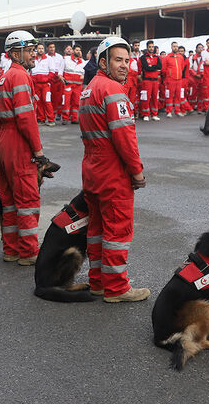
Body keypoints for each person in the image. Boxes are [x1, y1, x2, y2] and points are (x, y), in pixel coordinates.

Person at [79, 36, 148, 302]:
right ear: (103, 62)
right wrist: (137, 171)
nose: (124, 66)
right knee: (117, 229)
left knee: (97, 228)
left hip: (92, 168)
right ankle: (117, 288)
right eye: (118, 60)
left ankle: (97, 281)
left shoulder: (89, 87)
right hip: (112, 170)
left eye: (127, 61)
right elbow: (125, 138)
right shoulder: (113, 90)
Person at [0, 31, 49, 265]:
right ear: (16, 53)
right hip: (18, 143)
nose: (34, 53)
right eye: (29, 50)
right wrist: (38, 151)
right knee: (27, 201)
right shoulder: (20, 76)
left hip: (4, 140)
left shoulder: (5, 76)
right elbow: (26, 118)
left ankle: (11, 249)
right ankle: (28, 252)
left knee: (8, 201)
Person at [61, 44, 85, 124]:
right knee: (66, 102)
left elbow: (85, 73)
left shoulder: (83, 62)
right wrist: (60, 77)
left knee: (76, 102)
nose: (78, 52)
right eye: (77, 50)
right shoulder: (66, 59)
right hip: (68, 85)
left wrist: (83, 76)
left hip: (78, 86)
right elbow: (60, 70)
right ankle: (65, 118)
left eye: (79, 50)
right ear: (73, 51)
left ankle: (74, 118)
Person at [31, 43, 54, 125]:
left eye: (42, 48)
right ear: (36, 49)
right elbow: (30, 71)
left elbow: (52, 71)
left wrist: (47, 79)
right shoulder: (33, 59)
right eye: (39, 48)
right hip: (36, 85)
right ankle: (41, 119)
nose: (41, 50)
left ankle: (51, 119)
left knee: (47, 101)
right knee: (38, 101)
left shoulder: (49, 59)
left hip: (45, 85)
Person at [162, 41, 186, 117]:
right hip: (170, 80)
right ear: (171, 47)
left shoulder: (180, 57)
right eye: (174, 46)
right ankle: (168, 111)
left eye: (176, 46)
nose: (175, 47)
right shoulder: (167, 58)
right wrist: (169, 75)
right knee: (169, 96)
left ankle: (177, 110)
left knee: (178, 96)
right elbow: (163, 69)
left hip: (179, 79)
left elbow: (182, 67)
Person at [140, 40, 162, 121]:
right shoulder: (143, 57)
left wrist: (151, 66)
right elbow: (146, 67)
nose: (151, 48)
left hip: (155, 81)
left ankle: (154, 114)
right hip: (147, 80)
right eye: (150, 47)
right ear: (147, 48)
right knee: (146, 98)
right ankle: (146, 114)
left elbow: (159, 66)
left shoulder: (157, 57)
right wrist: (154, 67)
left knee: (155, 98)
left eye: (152, 47)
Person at [46, 43, 65, 121]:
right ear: (47, 48)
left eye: (53, 47)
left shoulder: (59, 57)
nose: (52, 49)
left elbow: (61, 67)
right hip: (50, 77)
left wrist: (60, 76)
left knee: (59, 97)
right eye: (50, 47)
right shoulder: (45, 57)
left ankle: (59, 113)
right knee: (51, 97)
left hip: (58, 77)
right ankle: (52, 114)